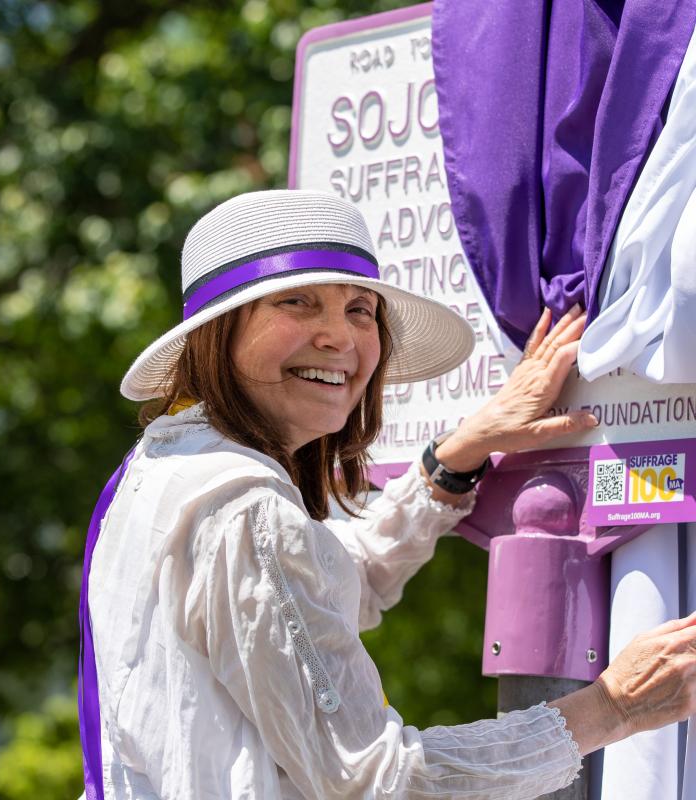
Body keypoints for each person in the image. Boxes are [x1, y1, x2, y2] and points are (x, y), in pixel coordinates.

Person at [79, 189, 696, 800]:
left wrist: (455, 459)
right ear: (218, 335)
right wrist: (614, 708)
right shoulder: (245, 508)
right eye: (298, 301)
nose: (339, 338)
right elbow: (378, 783)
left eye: (360, 310)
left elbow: (333, 584)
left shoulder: (166, 465)